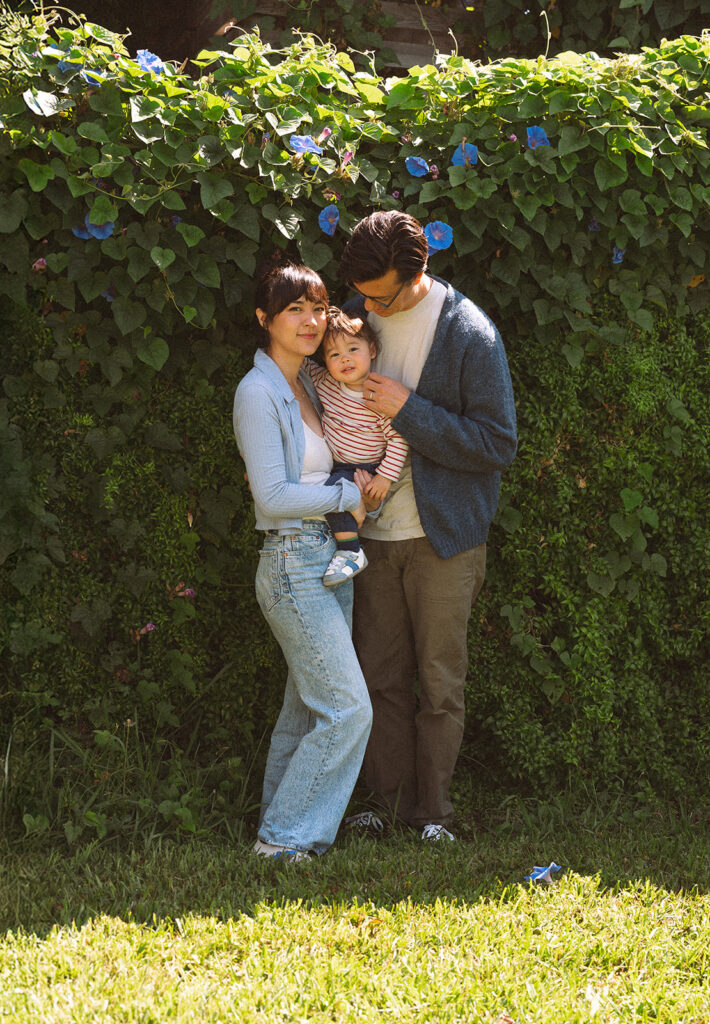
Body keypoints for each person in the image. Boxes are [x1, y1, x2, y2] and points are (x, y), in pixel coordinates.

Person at [338, 211, 518, 842]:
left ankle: (432, 816)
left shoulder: (469, 332)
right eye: (359, 291)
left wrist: (411, 412)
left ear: (417, 274)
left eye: (378, 294)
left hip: (445, 537)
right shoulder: (355, 312)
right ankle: (383, 807)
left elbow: (497, 443)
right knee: (376, 677)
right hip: (368, 537)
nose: (365, 304)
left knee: (440, 681)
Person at [232, 261, 373, 861]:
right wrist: (351, 495)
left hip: (328, 554)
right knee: (348, 710)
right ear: (265, 319)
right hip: (293, 561)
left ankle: (276, 826)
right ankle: (286, 841)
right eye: (295, 309)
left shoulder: (313, 383)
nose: (312, 320)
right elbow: (272, 496)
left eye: (317, 307)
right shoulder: (256, 391)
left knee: (306, 709)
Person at [304, 308, 408, 586]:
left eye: (352, 348)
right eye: (334, 355)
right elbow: (299, 363)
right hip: (337, 464)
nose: (345, 359)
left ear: (372, 350)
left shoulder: (376, 394)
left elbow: (398, 439)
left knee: (334, 492)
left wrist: (385, 477)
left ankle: (350, 551)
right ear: (325, 361)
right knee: (330, 490)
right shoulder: (325, 383)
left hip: (367, 467)